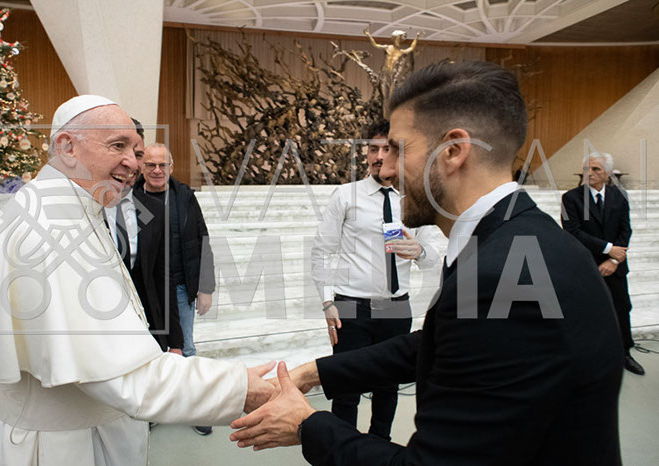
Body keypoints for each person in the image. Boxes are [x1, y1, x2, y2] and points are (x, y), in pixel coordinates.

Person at [229, 61, 625, 466]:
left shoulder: (499, 275)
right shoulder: (522, 238)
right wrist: (313, 373)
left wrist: (306, 426)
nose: (386, 167)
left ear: (453, 152)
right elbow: (440, 342)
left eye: (399, 149)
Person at [0, 95, 275, 466]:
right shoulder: (53, 226)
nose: (134, 162)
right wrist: (241, 388)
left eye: (136, 150)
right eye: (118, 145)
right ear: (67, 147)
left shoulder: (62, 203)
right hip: (56, 448)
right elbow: (126, 377)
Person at [311, 119, 435, 440]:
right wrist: (327, 302)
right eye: (373, 149)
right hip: (351, 304)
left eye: (387, 149)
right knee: (345, 388)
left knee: (387, 387)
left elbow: (434, 257)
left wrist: (420, 251)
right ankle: (341, 450)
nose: (379, 156)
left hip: (396, 307)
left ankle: (380, 446)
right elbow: (322, 251)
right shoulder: (346, 195)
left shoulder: (416, 199)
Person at [134, 142, 216, 435]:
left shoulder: (184, 196)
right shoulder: (131, 198)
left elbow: (202, 238)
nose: (157, 170)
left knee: (186, 347)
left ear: (171, 167)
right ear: (142, 167)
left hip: (180, 286)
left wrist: (205, 287)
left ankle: (195, 406)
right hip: (144, 289)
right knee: (149, 349)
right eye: (151, 165)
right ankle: (155, 408)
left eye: (162, 165)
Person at [103, 119, 183, 355]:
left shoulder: (154, 210)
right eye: (120, 150)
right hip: (101, 332)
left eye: (138, 154)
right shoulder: (87, 209)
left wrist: (175, 342)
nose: (131, 162)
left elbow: (163, 276)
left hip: (147, 329)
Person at [562, 152, 645, 375]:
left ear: (608, 173)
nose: (589, 173)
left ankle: (625, 353)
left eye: (596, 169)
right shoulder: (571, 198)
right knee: (586, 311)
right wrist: (609, 249)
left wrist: (614, 259)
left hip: (614, 266)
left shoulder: (620, 196)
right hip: (586, 265)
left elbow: (625, 230)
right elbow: (573, 232)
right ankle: (587, 355)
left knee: (621, 308)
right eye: (586, 169)